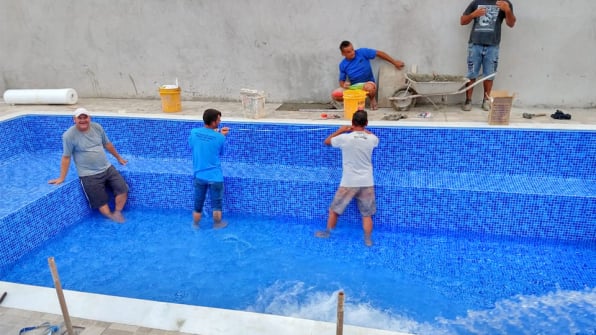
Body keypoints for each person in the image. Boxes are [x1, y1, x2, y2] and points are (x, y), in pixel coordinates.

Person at [49, 108, 129, 223]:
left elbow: (107, 144)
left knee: (123, 189)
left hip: (107, 168)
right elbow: (66, 157)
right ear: (74, 120)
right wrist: (61, 178)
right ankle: (111, 217)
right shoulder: (69, 136)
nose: (83, 120)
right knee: (100, 201)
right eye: (79, 118)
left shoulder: (97, 127)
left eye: (85, 117)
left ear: (89, 118)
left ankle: (117, 212)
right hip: (88, 175)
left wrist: (119, 158)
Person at [315, 110, 379, 246]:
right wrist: (364, 131)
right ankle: (368, 239)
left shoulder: (345, 138)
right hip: (367, 181)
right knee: (366, 214)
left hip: (349, 182)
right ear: (366, 123)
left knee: (334, 210)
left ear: (352, 123)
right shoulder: (372, 139)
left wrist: (341, 130)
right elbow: (373, 137)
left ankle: (327, 233)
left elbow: (326, 142)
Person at [461, 0, 516, 111]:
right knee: (471, 74)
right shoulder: (476, 2)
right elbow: (462, 21)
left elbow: (511, 24)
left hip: (492, 45)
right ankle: (468, 100)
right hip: (475, 44)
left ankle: (486, 101)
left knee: (489, 75)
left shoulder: (505, 3)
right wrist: (473, 15)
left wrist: (507, 10)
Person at [331, 40, 405, 110]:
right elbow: (341, 81)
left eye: (352, 49)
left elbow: (379, 53)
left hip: (368, 83)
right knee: (335, 95)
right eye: (348, 52)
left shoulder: (362, 52)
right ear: (343, 54)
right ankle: (352, 102)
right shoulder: (343, 64)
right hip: (354, 87)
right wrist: (344, 85)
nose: (352, 52)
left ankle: (372, 99)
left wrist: (394, 62)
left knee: (369, 88)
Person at [188, 108, 230, 229]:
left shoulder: (194, 132)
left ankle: (195, 225)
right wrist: (220, 135)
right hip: (215, 177)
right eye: (218, 119)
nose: (220, 121)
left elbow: (193, 145)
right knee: (217, 204)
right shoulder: (220, 138)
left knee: (198, 204)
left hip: (199, 175)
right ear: (213, 122)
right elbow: (220, 152)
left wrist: (216, 133)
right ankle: (217, 224)